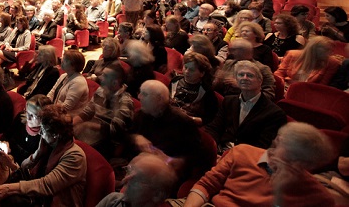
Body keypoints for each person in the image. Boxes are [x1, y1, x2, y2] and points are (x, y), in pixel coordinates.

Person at [179, 122, 335, 207]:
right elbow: (206, 185)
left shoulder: (319, 197)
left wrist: (280, 194)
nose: (294, 164)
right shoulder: (242, 152)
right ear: (277, 142)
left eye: (300, 161)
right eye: (290, 156)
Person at [0, 105, 87, 207]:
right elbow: (24, 168)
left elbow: (46, 185)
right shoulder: (49, 145)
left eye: (43, 130)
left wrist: (10, 188)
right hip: (36, 199)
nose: (40, 133)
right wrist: (37, 154)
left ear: (55, 135)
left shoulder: (75, 156)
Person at [205, 60, 286, 154]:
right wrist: (211, 148)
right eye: (241, 75)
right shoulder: (228, 101)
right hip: (220, 151)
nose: (245, 78)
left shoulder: (275, 113)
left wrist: (231, 155)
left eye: (250, 75)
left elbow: (262, 146)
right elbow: (214, 128)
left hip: (246, 157)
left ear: (260, 81)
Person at [130, 80, 202, 182]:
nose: (139, 97)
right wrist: (136, 137)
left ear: (159, 99)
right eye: (140, 92)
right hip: (141, 166)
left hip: (165, 174)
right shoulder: (142, 114)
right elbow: (128, 134)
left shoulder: (182, 122)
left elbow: (198, 155)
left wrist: (179, 161)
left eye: (144, 94)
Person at [74, 62, 134, 159]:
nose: (100, 77)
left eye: (105, 76)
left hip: (109, 143)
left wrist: (87, 125)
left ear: (115, 82)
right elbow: (87, 112)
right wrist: (70, 124)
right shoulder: (101, 91)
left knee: (74, 151)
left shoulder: (125, 101)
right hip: (93, 134)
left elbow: (115, 130)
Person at [95, 153, 177, 207]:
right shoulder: (113, 200)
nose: (126, 180)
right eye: (129, 171)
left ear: (157, 194)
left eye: (138, 178)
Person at [170, 52, 219, 126]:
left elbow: (210, 118)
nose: (187, 72)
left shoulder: (207, 91)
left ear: (202, 73)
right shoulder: (175, 81)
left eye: (191, 70)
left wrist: (191, 119)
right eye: (185, 67)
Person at [274, 36, 341, 87]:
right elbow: (279, 74)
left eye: (331, 50)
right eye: (327, 50)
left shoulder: (332, 63)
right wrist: (282, 86)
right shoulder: (292, 54)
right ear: (313, 50)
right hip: (286, 86)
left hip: (309, 92)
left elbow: (322, 86)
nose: (331, 54)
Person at [47, 49, 89, 116]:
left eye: (65, 60)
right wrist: (45, 102)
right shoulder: (64, 76)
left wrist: (48, 110)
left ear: (73, 66)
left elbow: (67, 107)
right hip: (57, 112)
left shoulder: (78, 82)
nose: (62, 60)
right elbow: (52, 92)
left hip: (70, 117)